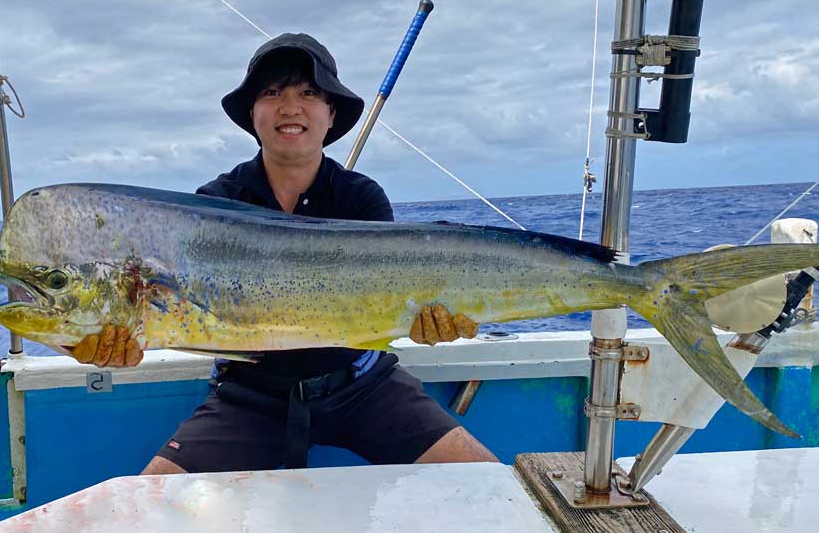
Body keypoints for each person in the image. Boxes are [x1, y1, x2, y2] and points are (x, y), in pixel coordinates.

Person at [69, 33, 498, 473]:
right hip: (251, 397)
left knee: (487, 480)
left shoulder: (362, 198)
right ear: (252, 115)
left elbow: (388, 305)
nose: (290, 107)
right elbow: (183, 311)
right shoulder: (214, 205)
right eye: (272, 93)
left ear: (330, 114)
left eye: (308, 93)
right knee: (149, 500)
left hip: (365, 385)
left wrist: (425, 323)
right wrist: (122, 340)